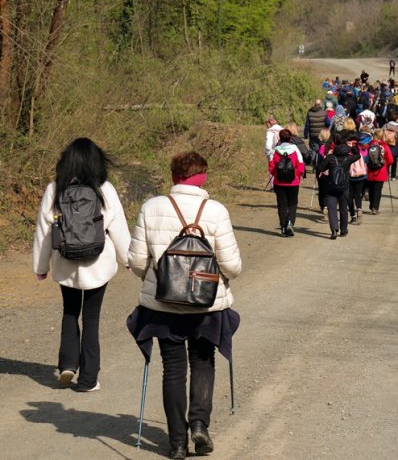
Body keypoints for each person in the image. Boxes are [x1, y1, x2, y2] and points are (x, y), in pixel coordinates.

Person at [127, 151, 243, 459]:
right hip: (206, 306)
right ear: (203, 177)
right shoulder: (216, 211)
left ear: (174, 176)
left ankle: (177, 443)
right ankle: (199, 426)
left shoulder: (151, 207)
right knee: (203, 362)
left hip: (163, 304)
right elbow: (232, 267)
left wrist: (153, 277)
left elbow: (137, 261)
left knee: (173, 369)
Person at [32, 138, 131, 391]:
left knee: (69, 312)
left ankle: (67, 364)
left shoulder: (55, 189)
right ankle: (88, 379)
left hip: (66, 263)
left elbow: (44, 233)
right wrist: (130, 259)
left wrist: (41, 267)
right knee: (91, 319)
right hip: (98, 264)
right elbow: (118, 229)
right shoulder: (104, 189)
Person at [316, 132, 361, 239]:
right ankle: (344, 230)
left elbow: (320, 168)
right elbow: (358, 155)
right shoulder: (348, 158)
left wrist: (327, 160)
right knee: (343, 209)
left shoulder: (331, 158)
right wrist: (353, 147)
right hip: (344, 186)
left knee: (331, 208)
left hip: (332, 186)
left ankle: (334, 230)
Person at [269, 129, 306, 236]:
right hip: (293, 182)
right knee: (292, 204)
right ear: (290, 138)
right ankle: (290, 222)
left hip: (279, 182)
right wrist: (298, 176)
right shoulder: (295, 150)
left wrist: (277, 175)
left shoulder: (275, 151)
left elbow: (271, 167)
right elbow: (300, 166)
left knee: (282, 205)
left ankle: (283, 227)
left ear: (280, 138)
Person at [366, 129, 393, 214]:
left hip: (370, 171)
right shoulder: (384, 146)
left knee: (371, 189)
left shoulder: (369, 146)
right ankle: (375, 207)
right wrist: (385, 164)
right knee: (378, 190)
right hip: (381, 171)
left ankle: (371, 205)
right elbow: (391, 160)